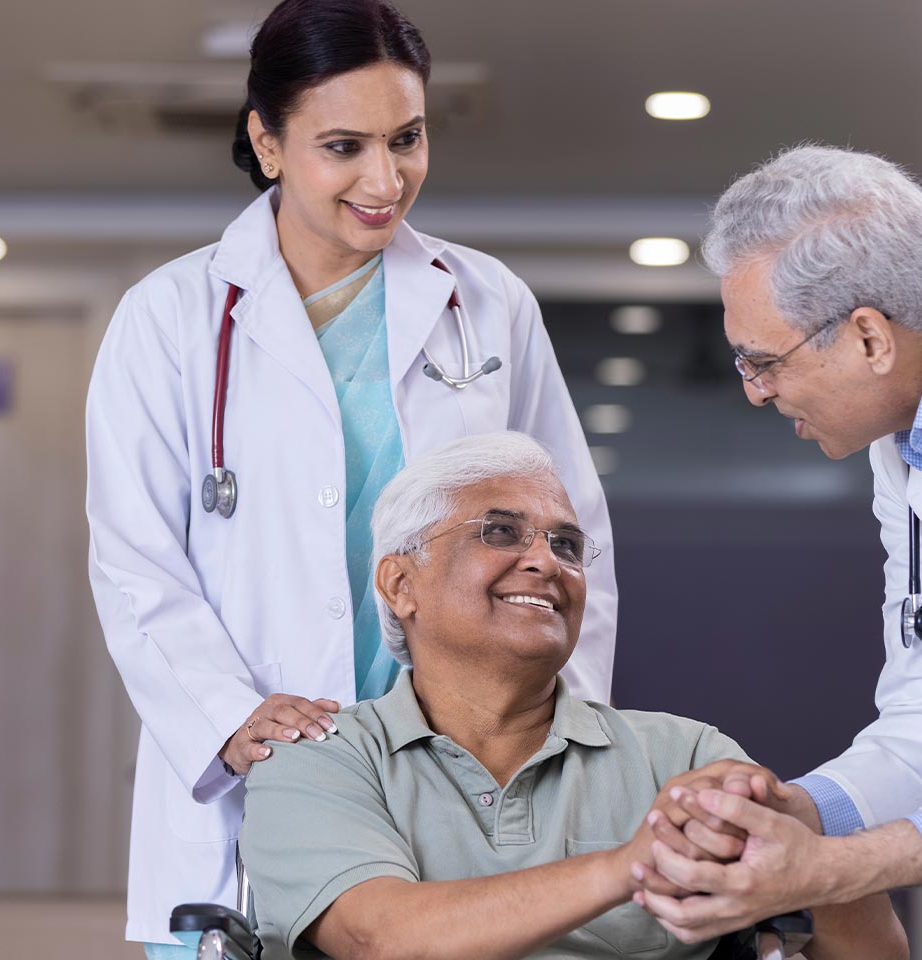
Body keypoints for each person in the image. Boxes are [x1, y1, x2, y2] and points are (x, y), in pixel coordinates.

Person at [84, 0, 617, 948]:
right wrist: (227, 715)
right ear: (268, 140)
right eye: (344, 146)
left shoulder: (485, 303)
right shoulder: (168, 317)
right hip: (252, 791)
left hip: (464, 763)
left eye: (407, 138)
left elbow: (572, 539)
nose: (386, 178)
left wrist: (566, 740)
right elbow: (134, 560)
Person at [632, 144, 922, 941]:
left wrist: (833, 867)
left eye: (763, 360)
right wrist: (801, 810)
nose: (752, 391)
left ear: (870, 338)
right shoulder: (914, 429)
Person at [240, 432, 906, 960]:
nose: (545, 561)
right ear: (399, 583)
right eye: (500, 531)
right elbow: (379, 940)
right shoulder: (316, 756)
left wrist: (801, 833)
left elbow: (876, 953)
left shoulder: (682, 755)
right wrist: (630, 866)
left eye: (566, 544)